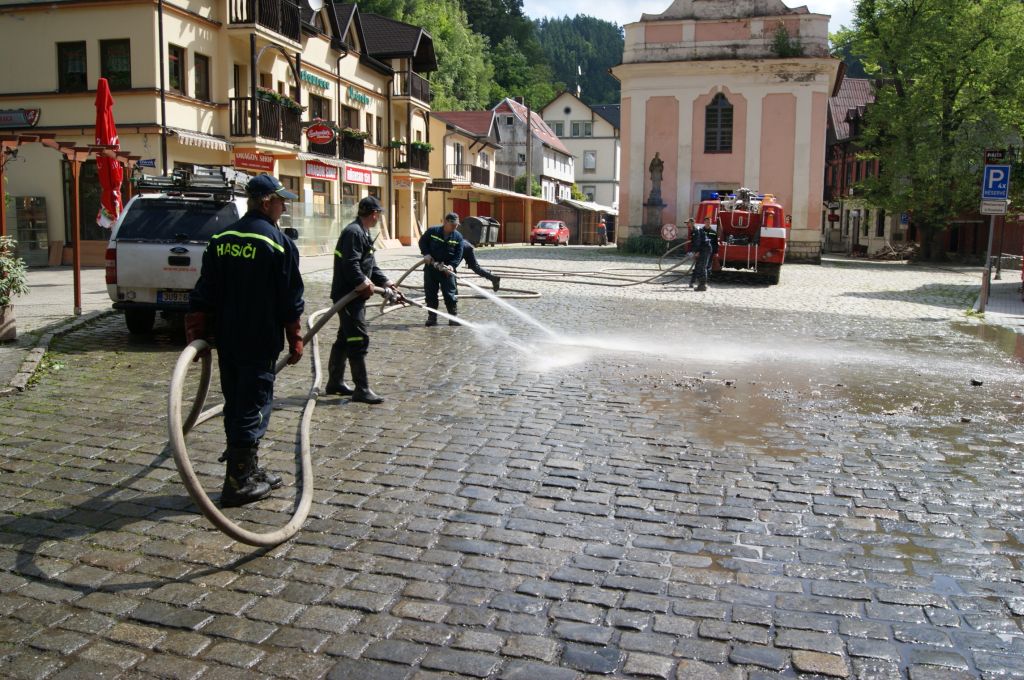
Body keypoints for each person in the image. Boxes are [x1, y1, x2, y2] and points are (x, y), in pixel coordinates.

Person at [187, 173, 305, 508]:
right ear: (266, 202)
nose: (284, 207)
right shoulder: (277, 241)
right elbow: (290, 297)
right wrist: (294, 336)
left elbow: (204, 289)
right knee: (253, 404)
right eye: (281, 201)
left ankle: (248, 469)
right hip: (259, 338)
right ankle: (237, 483)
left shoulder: (221, 238)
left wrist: (197, 332)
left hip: (228, 337)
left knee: (236, 401)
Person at [325, 195, 400, 405]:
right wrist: (362, 283)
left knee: (344, 338)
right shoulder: (353, 233)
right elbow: (351, 265)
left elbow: (370, 266)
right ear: (374, 214)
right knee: (358, 339)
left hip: (355, 295)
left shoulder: (363, 232)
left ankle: (335, 382)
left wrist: (385, 283)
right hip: (347, 296)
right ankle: (362, 389)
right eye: (379, 215)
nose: (379, 218)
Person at [419, 212, 465, 326]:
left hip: (447, 271)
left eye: (456, 225)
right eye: (452, 224)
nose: (455, 227)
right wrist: (426, 254)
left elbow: (459, 254)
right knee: (430, 294)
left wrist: (451, 266)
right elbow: (422, 242)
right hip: (431, 268)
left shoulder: (458, 237)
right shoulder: (433, 231)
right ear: (445, 222)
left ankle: (453, 317)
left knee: (450, 294)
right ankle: (432, 317)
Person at [690, 216, 718, 292]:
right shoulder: (697, 230)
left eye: (691, 224)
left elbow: (698, 243)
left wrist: (697, 252)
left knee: (703, 267)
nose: (689, 225)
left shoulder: (697, 230)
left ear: (693, 224)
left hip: (705, 249)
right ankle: (697, 283)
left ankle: (702, 285)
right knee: (700, 267)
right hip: (705, 249)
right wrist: (695, 251)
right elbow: (695, 243)